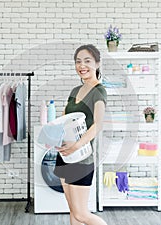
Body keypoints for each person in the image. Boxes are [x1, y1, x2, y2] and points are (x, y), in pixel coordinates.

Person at [54, 44, 108, 225]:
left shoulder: (99, 91)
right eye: (78, 61)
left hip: (81, 157)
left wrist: (75, 145)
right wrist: (53, 137)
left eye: (87, 61)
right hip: (65, 156)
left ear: (98, 64)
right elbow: (64, 119)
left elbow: (98, 124)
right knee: (73, 212)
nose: (81, 65)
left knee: (82, 214)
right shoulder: (75, 91)